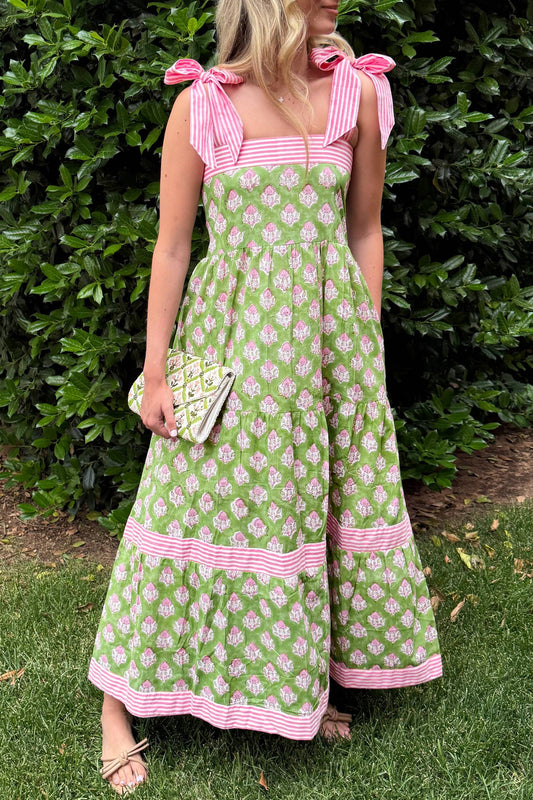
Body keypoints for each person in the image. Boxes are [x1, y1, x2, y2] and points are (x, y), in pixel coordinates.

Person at [88, 0, 443, 793]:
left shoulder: (357, 93)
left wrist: (362, 340)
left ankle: (298, 685)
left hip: (327, 346)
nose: (336, 0)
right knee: (180, 504)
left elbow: (363, 232)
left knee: (311, 504)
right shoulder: (202, 104)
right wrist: (155, 370)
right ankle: (117, 706)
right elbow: (173, 246)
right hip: (230, 342)